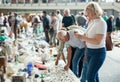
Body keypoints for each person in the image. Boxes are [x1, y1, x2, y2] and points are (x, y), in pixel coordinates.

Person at [75, 2, 107, 82]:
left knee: (90, 77)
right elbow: (87, 35)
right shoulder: (92, 22)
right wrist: (80, 35)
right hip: (89, 50)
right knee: (94, 76)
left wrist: (82, 36)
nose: (87, 15)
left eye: (88, 12)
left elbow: (97, 41)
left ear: (94, 11)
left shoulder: (101, 23)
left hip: (98, 53)